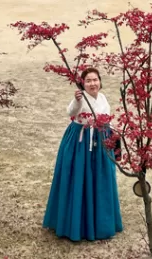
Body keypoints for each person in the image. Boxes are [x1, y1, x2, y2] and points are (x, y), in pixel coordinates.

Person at [43, 67, 123, 243]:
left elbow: (108, 119)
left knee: (101, 180)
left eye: (95, 80)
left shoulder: (102, 98)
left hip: (101, 141)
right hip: (80, 142)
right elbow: (71, 112)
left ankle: (101, 223)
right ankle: (75, 224)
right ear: (82, 83)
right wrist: (76, 100)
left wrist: (114, 142)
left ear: (100, 81)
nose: (92, 83)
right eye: (88, 81)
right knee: (78, 179)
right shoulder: (79, 99)